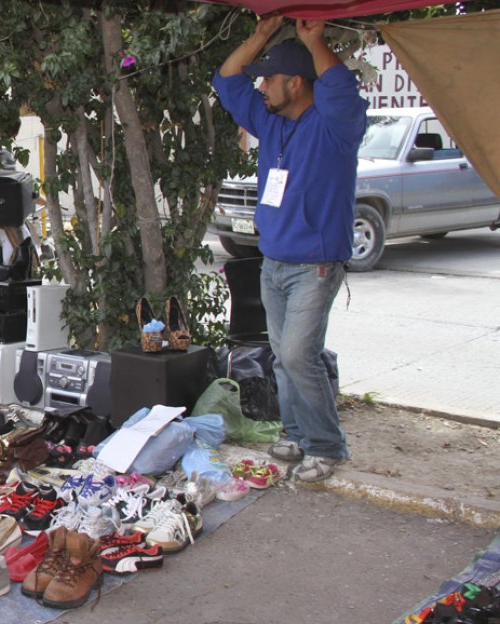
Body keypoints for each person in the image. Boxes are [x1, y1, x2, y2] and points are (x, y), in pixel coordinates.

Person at [213, 16, 367, 482]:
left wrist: (313, 40)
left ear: (296, 83)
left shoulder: (336, 124)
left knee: (300, 355)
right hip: (273, 261)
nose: (261, 86)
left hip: (315, 266)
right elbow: (226, 79)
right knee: (283, 356)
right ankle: (298, 436)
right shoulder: (269, 120)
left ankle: (327, 446)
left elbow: (339, 83)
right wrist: (261, 36)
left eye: (270, 78)